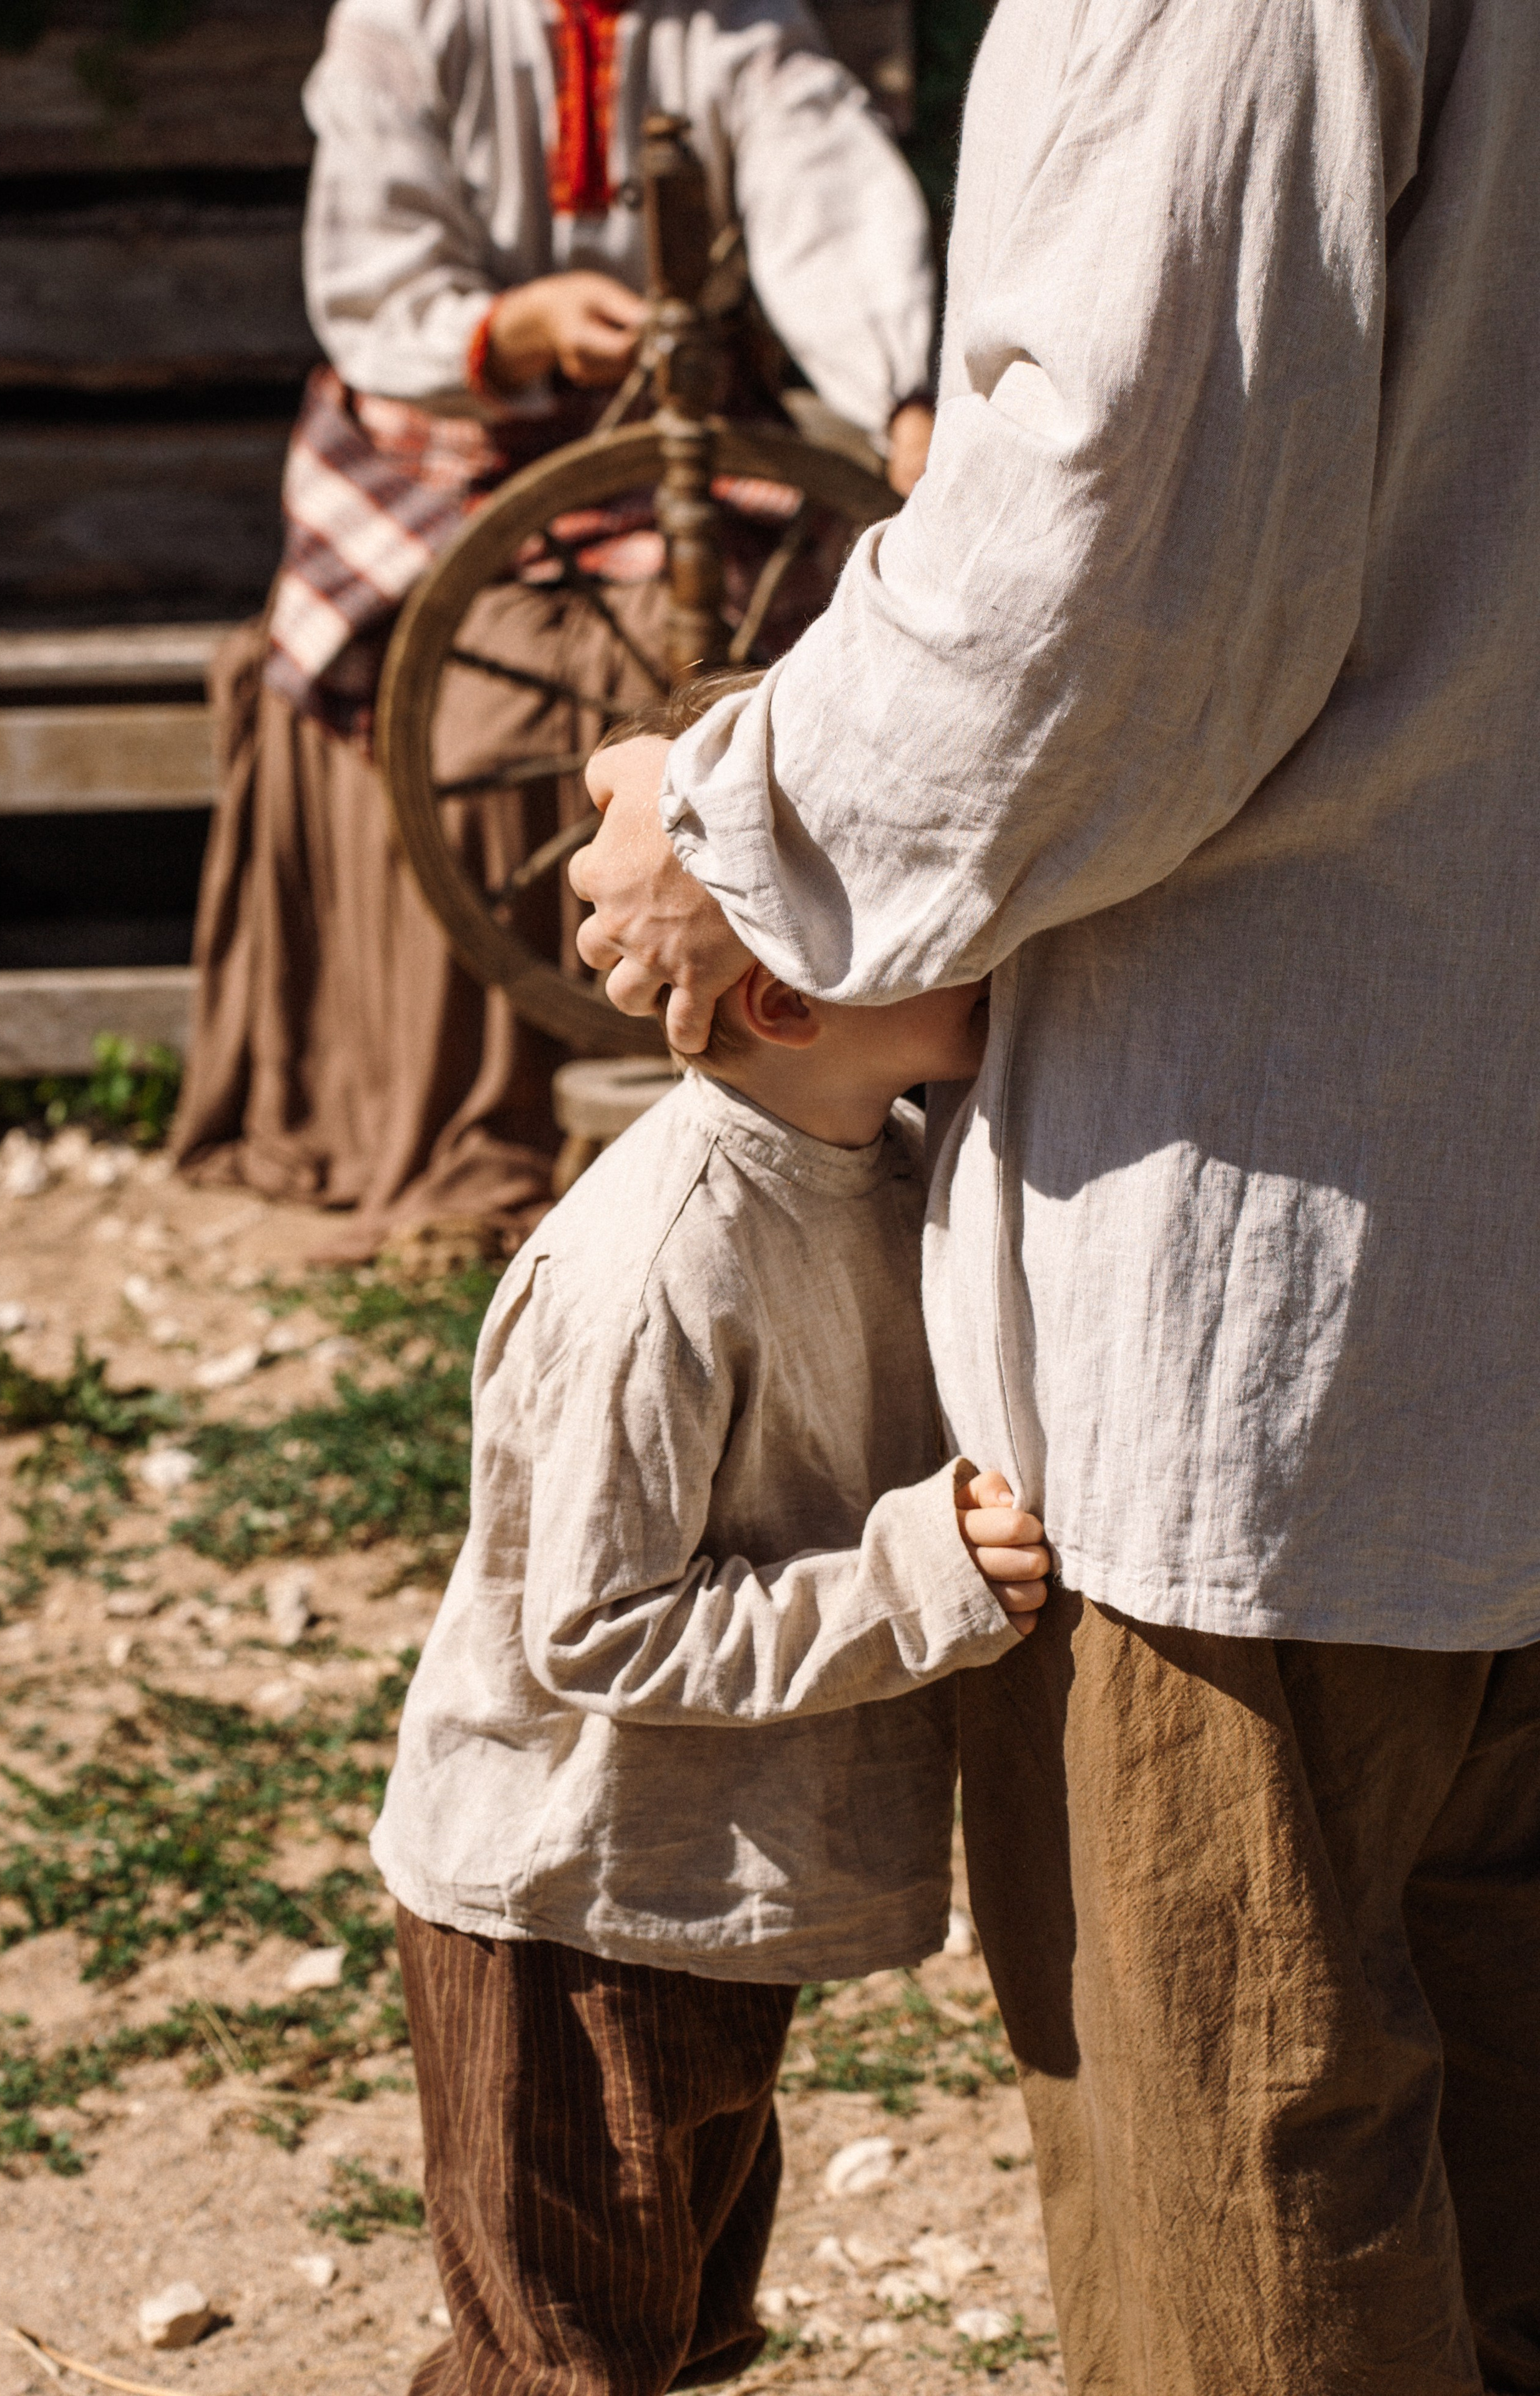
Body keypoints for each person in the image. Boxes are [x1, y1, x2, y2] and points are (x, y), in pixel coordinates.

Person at [570, 2, 1540, 2390]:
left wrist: (742, 842)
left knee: (1253, 2178)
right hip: (1457, 1187)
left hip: (1272, 1254)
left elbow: (1115, 559)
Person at [374, 683, 1048, 2396]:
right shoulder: (661, 1264)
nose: (979, 922)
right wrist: (919, 1580)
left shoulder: (882, 1160)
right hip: (571, 1897)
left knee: (658, 2334)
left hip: (713, 1890)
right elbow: (594, 1628)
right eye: (923, 908)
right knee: (565, 2360)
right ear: (784, 996)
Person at [169, 0, 937, 1261]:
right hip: (442, 431)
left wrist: (899, 391)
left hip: (675, 428)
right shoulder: (410, 21)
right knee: (475, 684)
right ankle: (487, 1109)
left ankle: (787, 1066)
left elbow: (824, 200)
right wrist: (514, 327)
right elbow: (373, 270)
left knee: (781, 646)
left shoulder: (731, 22)